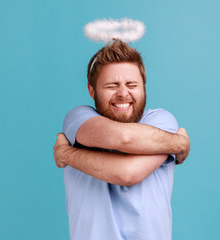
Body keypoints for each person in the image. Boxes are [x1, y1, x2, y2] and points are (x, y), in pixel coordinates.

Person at [53, 40, 190, 240]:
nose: (123, 94)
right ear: (92, 91)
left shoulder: (161, 121)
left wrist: (67, 154)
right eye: (112, 86)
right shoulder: (78, 118)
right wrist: (179, 143)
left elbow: (127, 172)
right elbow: (124, 138)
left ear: (143, 87)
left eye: (132, 85)